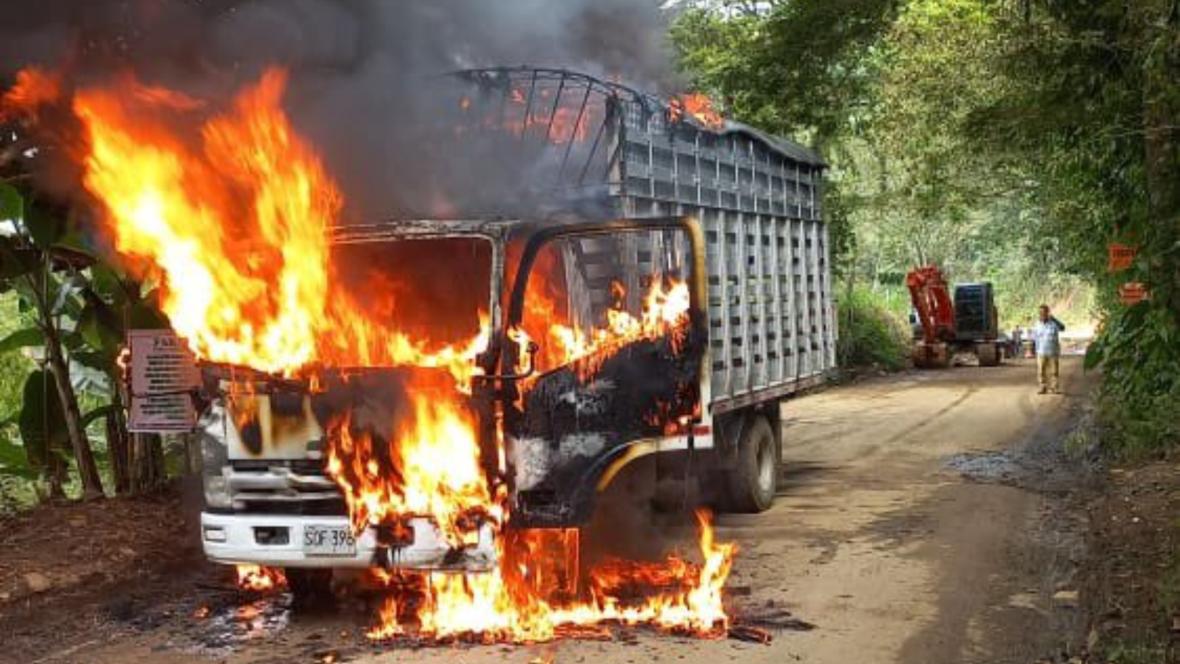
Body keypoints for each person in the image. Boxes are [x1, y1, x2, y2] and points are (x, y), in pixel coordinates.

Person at [1032, 305, 1066, 394]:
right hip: (1041, 351)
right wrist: (1035, 350)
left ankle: (1054, 388)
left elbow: (1063, 328)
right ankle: (1042, 387)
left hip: (1053, 352)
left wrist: (1054, 319)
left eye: (1044, 312)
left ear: (1047, 313)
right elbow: (1035, 338)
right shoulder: (1037, 324)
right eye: (1040, 312)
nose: (1042, 314)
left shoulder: (1054, 323)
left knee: (1054, 371)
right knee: (1041, 371)